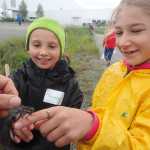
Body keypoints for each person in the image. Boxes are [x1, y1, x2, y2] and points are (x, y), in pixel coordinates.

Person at [14, 0, 150, 149]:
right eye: (118, 32)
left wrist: (93, 127)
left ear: (61, 50)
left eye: (136, 30)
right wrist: (12, 120)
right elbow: (95, 109)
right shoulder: (113, 71)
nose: (123, 41)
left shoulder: (69, 81)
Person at [0, 17, 83, 150]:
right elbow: (5, 112)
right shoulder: (17, 78)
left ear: (61, 50)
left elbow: (74, 114)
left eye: (52, 46)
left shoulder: (70, 84)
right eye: (37, 45)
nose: (43, 52)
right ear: (28, 48)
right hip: (19, 145)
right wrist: (13, 120)